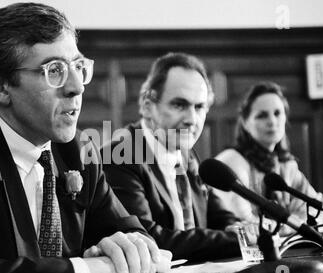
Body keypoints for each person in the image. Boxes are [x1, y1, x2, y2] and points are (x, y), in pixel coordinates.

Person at [0, 2, 171, 273]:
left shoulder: (78, 152)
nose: (77, 87)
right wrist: (90, 270)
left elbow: (134, 235)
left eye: (77, 66)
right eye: (55, 70)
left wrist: (128, 247)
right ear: (0, 86)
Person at [101, 52, 245, 262]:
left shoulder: (186, 154)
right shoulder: (120, 156)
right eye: (179, 105)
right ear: (147, 106)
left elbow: (218, 215)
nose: (191, 119)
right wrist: (237, 240)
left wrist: (238, 228)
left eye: (199, 107)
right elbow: (147, 239)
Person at [215, 81, 323, 236]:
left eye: (277, 113)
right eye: (262, 115)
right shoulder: (231, 161)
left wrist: (286, 225)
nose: (272, 122)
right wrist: (296, 223)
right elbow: (248, 227)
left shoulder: (286, 165)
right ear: (245, 123)